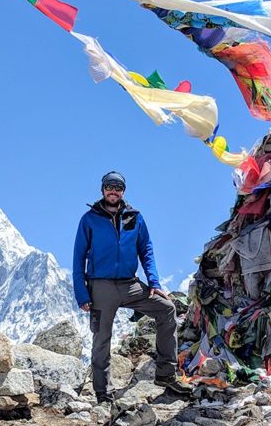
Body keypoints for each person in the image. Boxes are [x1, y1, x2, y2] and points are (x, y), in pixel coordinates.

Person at [73, 171, 189, 402]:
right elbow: (78, 257)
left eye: (117, 186)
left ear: (123, 191)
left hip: (130, 285)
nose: (113, 190)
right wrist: (82, 294)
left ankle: (166, 374)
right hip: (101, 286)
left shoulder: (135, 217)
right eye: (109, 186)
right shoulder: (89, 219)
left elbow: (146, 250)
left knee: (166, 309)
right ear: (102, 189)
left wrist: (154, 283)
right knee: (101, 337)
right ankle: (102, 393)